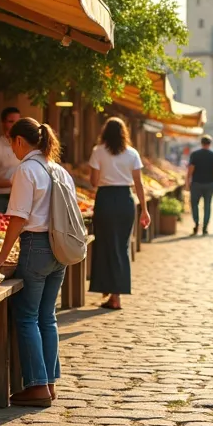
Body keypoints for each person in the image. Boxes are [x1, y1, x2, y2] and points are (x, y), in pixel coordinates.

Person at [0, 118, 76, 407]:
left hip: (36, 247)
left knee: (27, 317)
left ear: (19, 141)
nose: (12, 149)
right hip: (58, 250)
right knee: (47, 316)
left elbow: (19, 217)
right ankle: (49, 383)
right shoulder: (59, 170)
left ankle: (37, 387)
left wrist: (2, 255)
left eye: (11, 143)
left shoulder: (26, 170)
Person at [88, 117, 149, 309]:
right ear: (124, 133)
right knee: (121, 247)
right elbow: (139, 183)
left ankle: (110, 293)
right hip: (125, 199)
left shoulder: (98, 151)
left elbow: (94, 182)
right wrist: (144, 210)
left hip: (105, 199)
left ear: (105, 132)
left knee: (104, 245)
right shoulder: (132, 153)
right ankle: (115, 294)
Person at [185, 135, 213, 235]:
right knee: (207, 205)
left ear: (201, 143)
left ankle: (196, 223)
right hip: (209, 183)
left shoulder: (195, 154)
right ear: (210, 144)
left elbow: (190, 170)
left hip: (196, 183)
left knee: (194, 204)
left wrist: (187, 181)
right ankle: (205, 227)